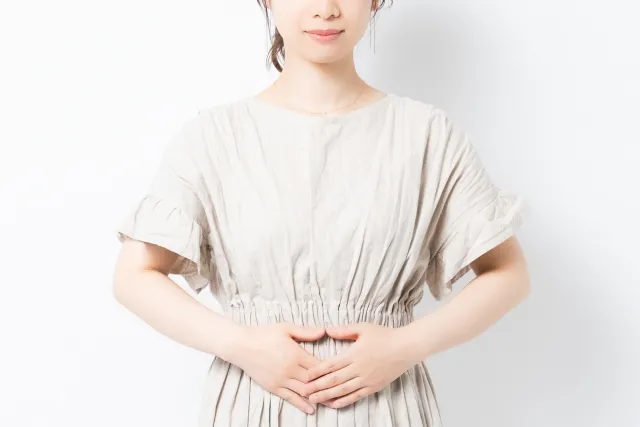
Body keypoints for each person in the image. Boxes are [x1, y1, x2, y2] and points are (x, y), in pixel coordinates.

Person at [112, 0, 531, 426]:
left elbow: (508, 273)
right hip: (254, 404)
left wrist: (404, 347)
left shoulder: (426, 135)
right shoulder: (213, 138)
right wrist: (243, 345)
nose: (325, 9)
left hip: (387, 406)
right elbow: (134, 276)